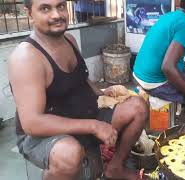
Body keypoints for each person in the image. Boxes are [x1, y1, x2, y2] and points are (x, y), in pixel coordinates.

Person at [8, 0, 148, 179]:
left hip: (84, 114)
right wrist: (93, 126)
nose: (56, 15)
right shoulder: (26, 58)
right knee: (68, 153)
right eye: (45, 8)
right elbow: (32, 123)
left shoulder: (69, 40)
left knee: (137, 106)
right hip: (43, 134)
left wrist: (103, 94)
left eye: (60, 6)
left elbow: (82, 78)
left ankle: (115, 168)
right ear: (29, 14)